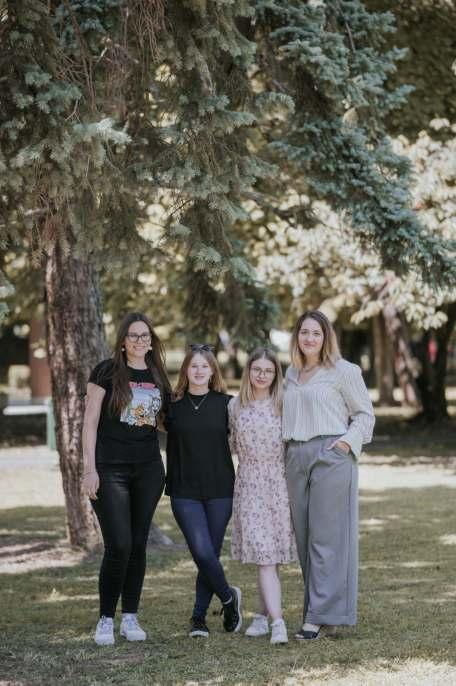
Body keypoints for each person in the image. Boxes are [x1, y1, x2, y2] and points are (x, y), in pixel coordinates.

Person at [283, 310, 375, 640]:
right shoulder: (291, 373)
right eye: (304, 332)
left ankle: (317, 617)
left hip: (330, 455)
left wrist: (346, 443)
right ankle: (325, 614)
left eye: (316, 333)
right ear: (297, 337)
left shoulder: (344, 371)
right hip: (295, 457)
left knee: (327, 538)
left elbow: (365, 415)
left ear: (326, 338)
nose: (309, 338)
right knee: (305, 538)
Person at [82, 312, 171, 646]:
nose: (140, 341)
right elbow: (90, 423)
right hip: (110, 469)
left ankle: (130, 616)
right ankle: (106, 618)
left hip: (148, 469)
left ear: (151, 341)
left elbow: (163, 422)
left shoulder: (157, 374)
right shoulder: (105, 372)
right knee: (118, 544)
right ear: (122, 341)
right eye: (134, 335)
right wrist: (89, 469)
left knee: (137, 544)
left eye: (145, 336)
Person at [165, 344, 241, 638]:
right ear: (185, 370)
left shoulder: (228, 405)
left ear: (212, 371)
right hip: (184, 488)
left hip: (220, 488)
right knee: (201, 551)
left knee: (210, 553)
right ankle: (229, 598)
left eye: (204, 366)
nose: (198, 371)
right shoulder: (171, 406)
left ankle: (198, 618)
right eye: (193, 366)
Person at [229, 347, 297, 645]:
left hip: (279, 484)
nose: (262, 375)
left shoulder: (284, 404)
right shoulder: (234, 406)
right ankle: (278, 623)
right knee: (264, 554)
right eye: (256, 369)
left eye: (268, 371)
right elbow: (229, 444)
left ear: (276, 375)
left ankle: (261, 616)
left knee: (271, 556)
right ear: (248, 372)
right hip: (249, 483)